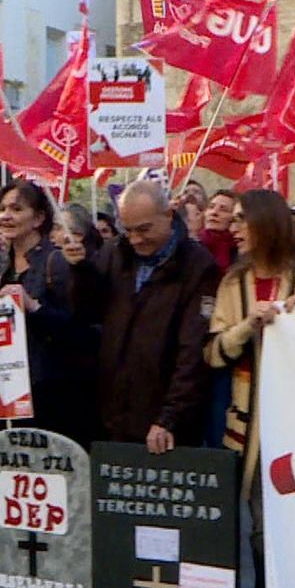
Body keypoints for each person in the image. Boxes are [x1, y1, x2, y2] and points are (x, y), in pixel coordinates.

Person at [204, 189, 295, 588]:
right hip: (248, 425)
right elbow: (213, 352)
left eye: (242, 220)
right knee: (260, 524)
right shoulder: (232, 283)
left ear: (266, 223)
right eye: (233, 220)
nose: (234, 228)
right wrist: (248, 324)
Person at [64, 180, 220, 451]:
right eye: (128, 230)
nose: (136, 239)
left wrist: (169, 417)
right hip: (113, 411)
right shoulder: (115, 251)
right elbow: (88, 313)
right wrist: (81, 270)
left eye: (144, 229)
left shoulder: (198, 266)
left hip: (164, 420)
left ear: (168, 216)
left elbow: (193, 351)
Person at [0, 180, 89, 438]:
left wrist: (33, 307)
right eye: (3, 208)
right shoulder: (0, 262)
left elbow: (77, 328)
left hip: (48, 390)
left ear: (38, 218)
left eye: (16, 209)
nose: (5, 216)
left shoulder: (56, 260)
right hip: (6, 386)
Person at [196, 190, 239, 273]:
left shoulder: (241, 252)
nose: (214, 212)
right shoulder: (191, 247)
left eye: (223, 210)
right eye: (211, 207)